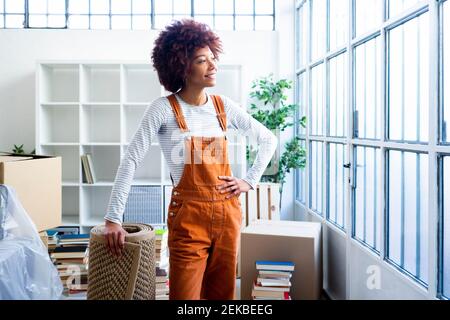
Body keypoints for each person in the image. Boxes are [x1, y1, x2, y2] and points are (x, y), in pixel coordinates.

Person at [103, 19, 277, 300]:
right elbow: (131, 160)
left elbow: (269, 139)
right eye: (201, 60)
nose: (213, 66)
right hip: (188, 219)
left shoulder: (224, 107)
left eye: (212, 58)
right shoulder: (163, 110)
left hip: (228, 215)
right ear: (181, 67)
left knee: (222, 295)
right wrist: (113, 218)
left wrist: (249, 181)